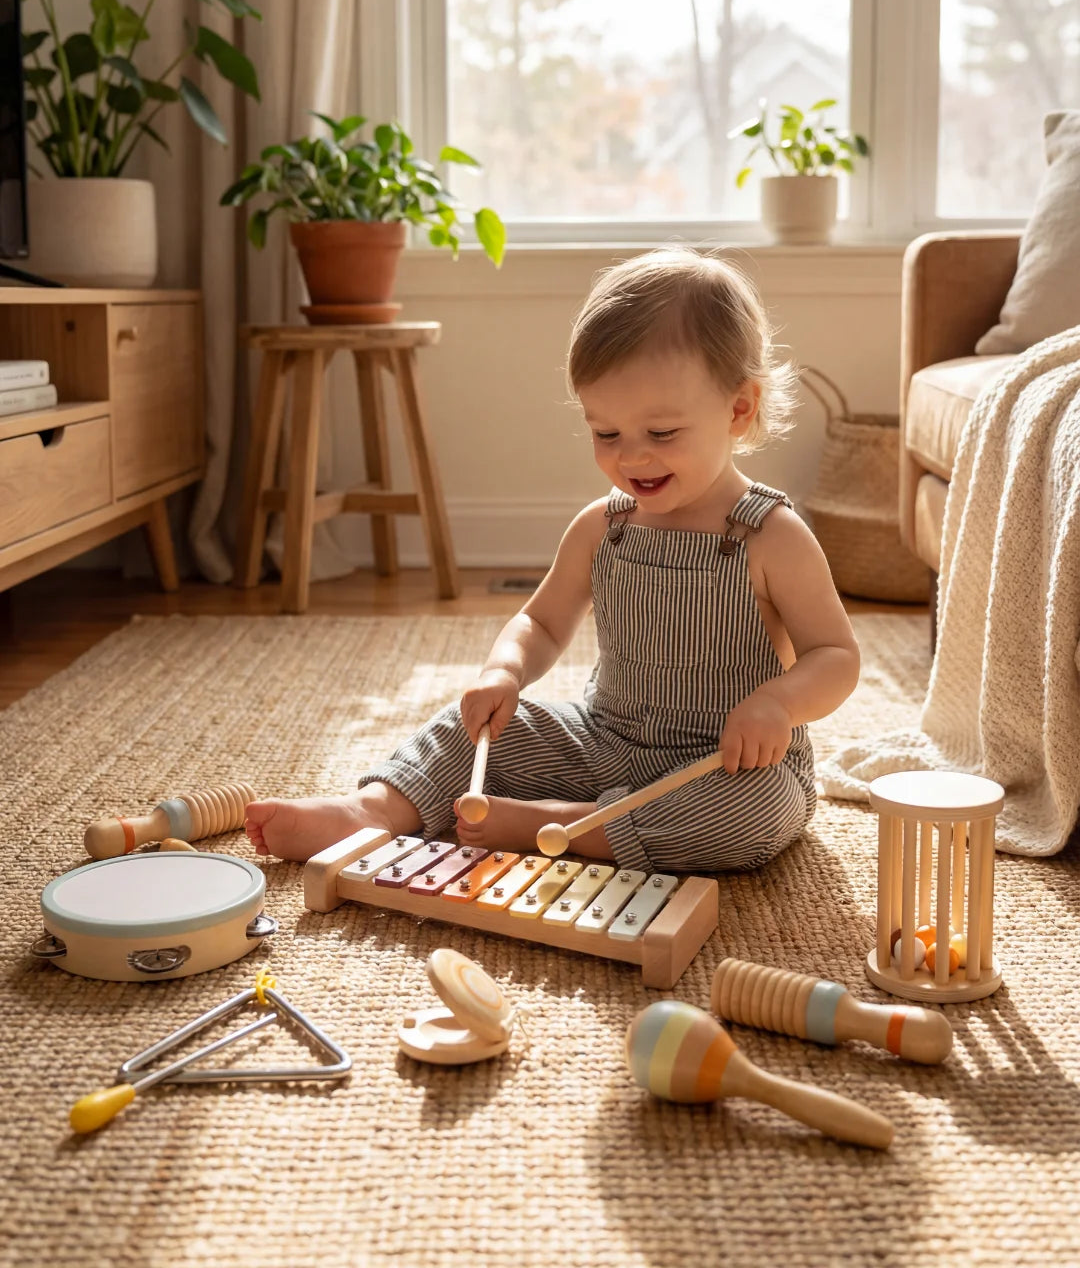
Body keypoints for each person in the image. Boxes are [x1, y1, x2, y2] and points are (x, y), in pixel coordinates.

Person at [245, 247, 860, 871]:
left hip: (719, 761)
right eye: (607, 433)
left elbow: (834, 656)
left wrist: (779, 704)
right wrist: (504, 673)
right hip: (603, 742)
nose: (633, 459)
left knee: (751, 810)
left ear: (738, 409)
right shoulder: (604, 527)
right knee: (476, 731)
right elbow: (541, 623)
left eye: (662, 434)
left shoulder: (770, 536)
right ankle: (371, 811)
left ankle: (560, 826)